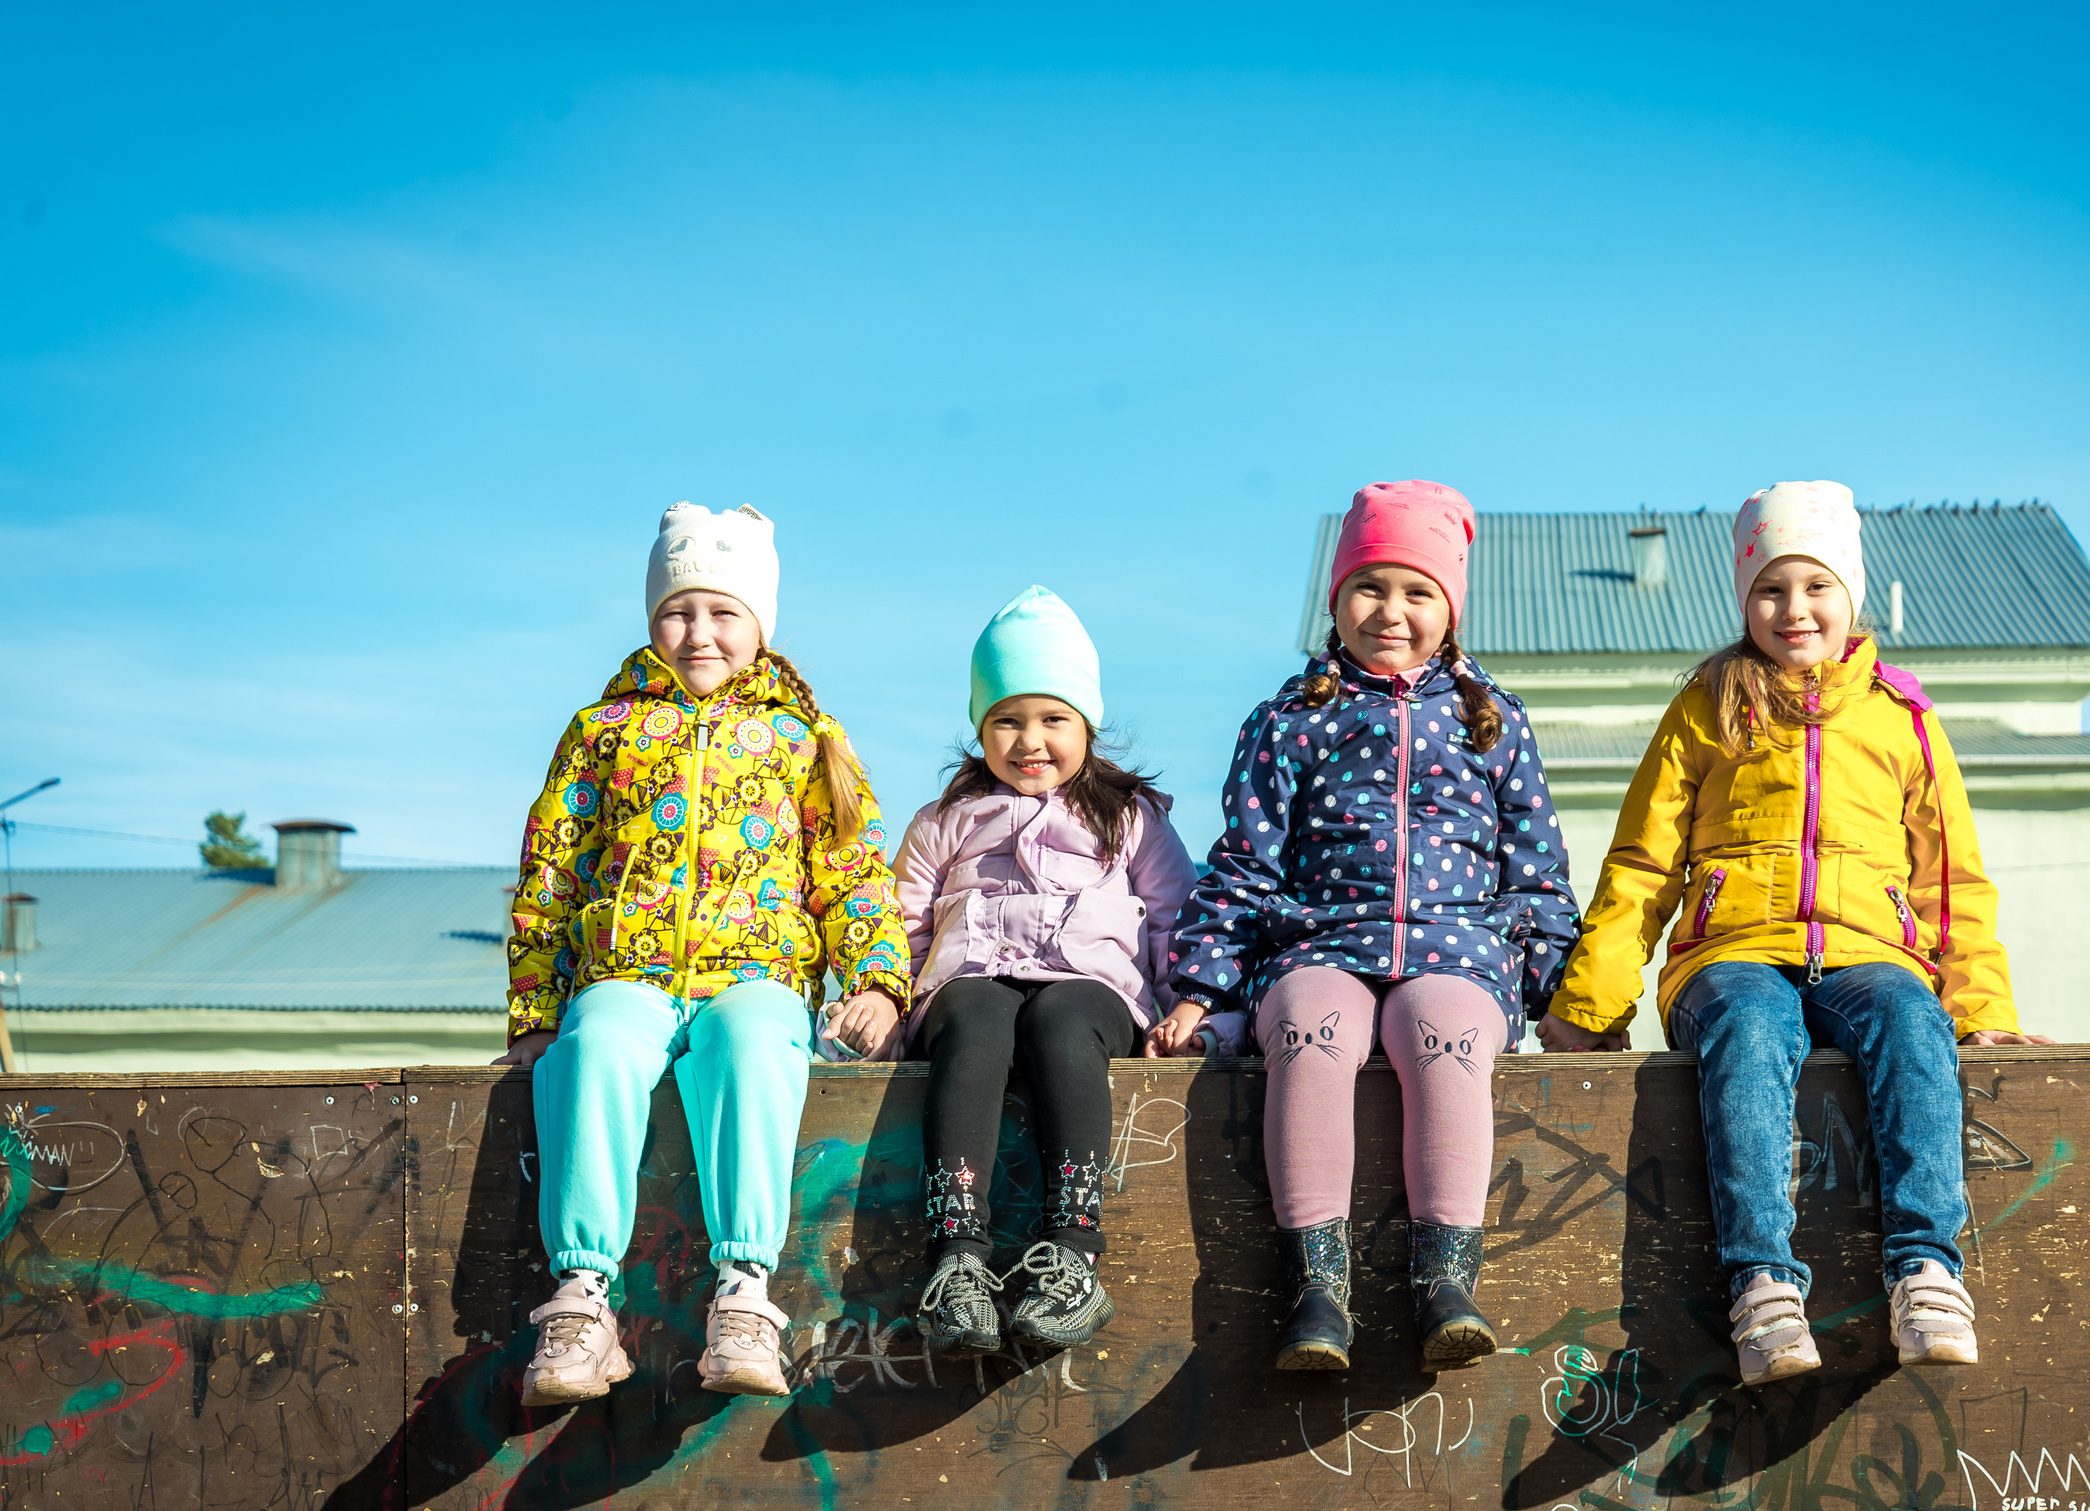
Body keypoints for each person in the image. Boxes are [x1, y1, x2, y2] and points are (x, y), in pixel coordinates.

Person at [1539, 480, 2052, 1385]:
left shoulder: (1904, 720)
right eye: (1772, 588)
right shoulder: (1710, 702)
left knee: (1911, 1019)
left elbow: (1951, 881)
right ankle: (1763, 1284)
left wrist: (1981, 1009)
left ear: (1850, 591)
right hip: (1730, 956)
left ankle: (1927, 1269)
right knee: (1751, 1026)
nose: (1794, 608)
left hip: (1868, 955)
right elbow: (1643, 862)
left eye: (1816, 584)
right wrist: (1590, 998)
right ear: (1745, 601)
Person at [1151, 480, 1579, 1372]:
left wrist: (1561, 991)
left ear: (1450, 610)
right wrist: (1200, 987)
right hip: (1319, 942)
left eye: (1418, 591)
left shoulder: (1488, 719)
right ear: (1336, 599)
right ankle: (1318, 1285)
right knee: (1314, 1030)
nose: (1392, 610)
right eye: (1369, 588)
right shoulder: (1291, 719)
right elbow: (1247, 856)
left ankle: (1446, 1279)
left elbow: (1536, 870)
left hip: (1457, 949)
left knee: (1444, 1031)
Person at [498, 502, 910, 1404]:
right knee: (592, 1045)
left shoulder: (805, 738)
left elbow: (851, 869)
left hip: (756, 976)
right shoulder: (603, 729)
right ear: (651, 619)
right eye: (678, 610)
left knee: (761, 1043)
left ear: (761, 622)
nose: (699, 632)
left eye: (724, 611)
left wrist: (876, 979)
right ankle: (582, 1298)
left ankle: (744, 1290)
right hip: (626, 977)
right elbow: (551, 873)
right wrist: (537, 1012)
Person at [887, 586, 1195, 1353]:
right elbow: (901, 923)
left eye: (1053, 717)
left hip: (1092, 990)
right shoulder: (945, 821)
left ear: (1086, 722)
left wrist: (1193, 1004)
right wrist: (881, 994)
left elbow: (1175, 918)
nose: (1031, 739)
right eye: (1007, 719)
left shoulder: (1128, 818)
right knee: (979, 1019)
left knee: (1061, 1019)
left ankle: (1073, 1254)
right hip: (971, 981)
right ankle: (958, 1257)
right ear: (980, 727)